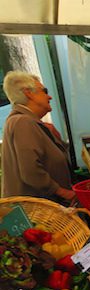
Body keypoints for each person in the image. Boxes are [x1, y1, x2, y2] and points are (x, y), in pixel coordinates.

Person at [1, 71, 75, 204]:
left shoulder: (28, 122)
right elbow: (30, 170)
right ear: (28, 93)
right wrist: (63, 192)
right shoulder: (22, 122)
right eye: (44, 91)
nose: (50, 97)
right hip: (38, 212)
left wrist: (56, 137)